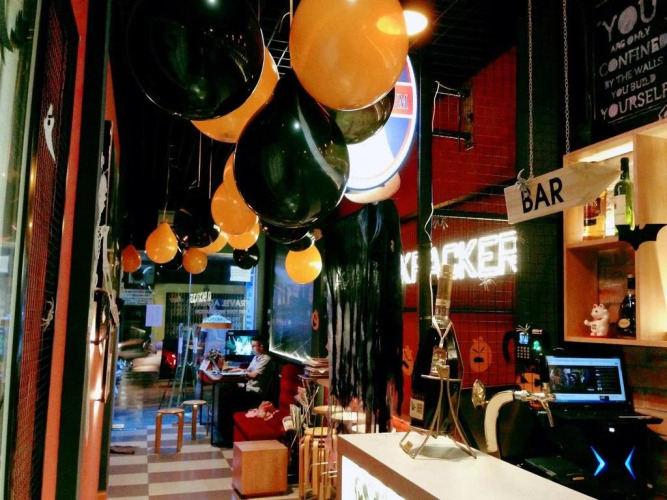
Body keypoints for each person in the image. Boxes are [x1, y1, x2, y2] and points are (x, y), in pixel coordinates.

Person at [217, 336, 276, 446]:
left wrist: (242, 372)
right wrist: (235, 369)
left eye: (254, 346)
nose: (252, 348)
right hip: (248, 387)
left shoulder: (265, 359)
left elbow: (253, 375)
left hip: (255, 392)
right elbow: (248, 370)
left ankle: (228, 435)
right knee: (225, 390)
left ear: (261, 346)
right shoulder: (256, 357)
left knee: (229, 395)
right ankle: (224, 431)